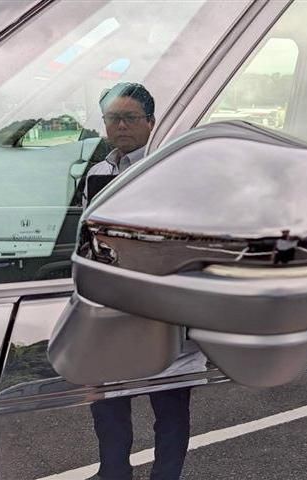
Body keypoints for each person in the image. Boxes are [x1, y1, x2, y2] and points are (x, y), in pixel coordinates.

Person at [86, 83, 201, 480]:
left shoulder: (170, 170)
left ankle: (166, 475)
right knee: (107, 402)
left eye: (130, 118)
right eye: (113, 118)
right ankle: (114, 472)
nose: (121, 126)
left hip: (161, 301)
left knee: (169, 406)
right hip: (111, 300)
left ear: (151, 122)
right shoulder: (98, 172)